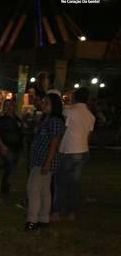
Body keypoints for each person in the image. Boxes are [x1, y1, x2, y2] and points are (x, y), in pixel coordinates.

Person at [53, 87, 94, 221]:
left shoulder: (68, 111)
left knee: (61, 183)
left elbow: (62, 130)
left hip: (69, 151)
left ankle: (57, 212)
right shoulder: (90, 116)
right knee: (74, 183)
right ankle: (71, 212)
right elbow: (88, 136)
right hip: (82, 151)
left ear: (74, 97)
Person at [25, 91, 65, 230]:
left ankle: (32, 220)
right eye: (43, 103)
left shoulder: (55, 121)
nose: (43, 105)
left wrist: (47, 163)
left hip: (44, 161)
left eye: (46, 103)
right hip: (40, 159)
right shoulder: (46, 119)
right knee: (44, 190)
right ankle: (43, 218)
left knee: (33, 189)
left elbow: (54, 143)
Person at [0, 99, 24, 199]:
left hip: (17, 147)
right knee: (9, 168)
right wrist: (2, 146)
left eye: (11, 105)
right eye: (7, 105)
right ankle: (5, 190)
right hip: (7, 147)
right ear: (4, 108)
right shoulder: (2, 119)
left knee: (12, 168)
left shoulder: (17, 119)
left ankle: (8, 188)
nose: (9, 107)